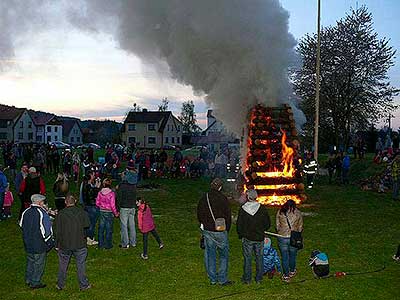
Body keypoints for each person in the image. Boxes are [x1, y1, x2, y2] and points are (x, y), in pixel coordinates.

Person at [197, 178, 232, 286]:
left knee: (210, 254)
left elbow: (199, 213)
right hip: (220, 230)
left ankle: (212, 278)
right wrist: (227, 229)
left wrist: (203, 223)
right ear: (220, 187)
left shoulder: (204, 197)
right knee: (223, 255)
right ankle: (222, 279)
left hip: (208, 229)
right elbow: (228, 215)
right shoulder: (223, 198)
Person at [54, 195, 91, 291]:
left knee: (63, 264)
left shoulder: (61, 214)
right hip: (79, 243)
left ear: (65, 202)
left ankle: (60, 284)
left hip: (64, 244)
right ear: (75, 201)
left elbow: (57, 230)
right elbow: (87, 225)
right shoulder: (82, 212)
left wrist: (56, 244)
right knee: (81, 265)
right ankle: (83, 285)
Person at [19, 194, 54, 289]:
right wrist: (49, 242)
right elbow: (46, 230)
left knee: (30, 261)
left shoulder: (26, 211)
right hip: (39, 243)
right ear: (40, 202)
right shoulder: (42, 213)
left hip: (28, 241)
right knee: (39, 263)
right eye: (43, 202)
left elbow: (21, 225)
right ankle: (35, 282)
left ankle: (28, 278)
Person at [236, 189, 270, 284]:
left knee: (248, 258)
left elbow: (239, 224)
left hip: (248, 238)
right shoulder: (262, 209)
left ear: (248, 197)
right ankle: (259, 278)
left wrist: (241, 234)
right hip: (259, 237)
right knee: (259, 257)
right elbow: (267, 223)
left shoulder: (243, 209)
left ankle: (247, 279)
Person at [276, 199, 303, 283]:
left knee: (284, 257)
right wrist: (297, 233)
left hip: (282, 237)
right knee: (293, 255)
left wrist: (280, 231)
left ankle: (286, 275)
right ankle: (292, 271)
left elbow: (277, 225)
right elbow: (300, 226)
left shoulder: (280, 212)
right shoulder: (298, 213)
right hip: (293, 237)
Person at [96, 178, 119, 249]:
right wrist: (116, 213)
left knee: (101, 228)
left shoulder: (100, 192)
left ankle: (100, 244)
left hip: (102, 211)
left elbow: (97, 203)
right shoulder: (111, 193)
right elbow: (113, 205)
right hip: (109, 212)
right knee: (109, 229)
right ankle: (108, 245)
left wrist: (101, 206)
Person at [116, 170, 137, 249]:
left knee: (124, 226)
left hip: (124, 207)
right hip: (132, 207)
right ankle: (133, 242)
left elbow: (119, 198)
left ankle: (125, 243)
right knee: (132, 225)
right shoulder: (133, 185)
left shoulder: (122, 186)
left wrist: (117, 209)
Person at [82, 171, 101, 246]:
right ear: (90, 176)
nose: (94, 176)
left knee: (88, 223)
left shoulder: (85, 184)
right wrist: (97, 188)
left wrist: (95, 187)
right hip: (92, 207)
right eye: (93, 175)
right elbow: (93, 195)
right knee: (91, 223)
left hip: (87, 206)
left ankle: (87, 237)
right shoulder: (88, 187)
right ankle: (89, 238)